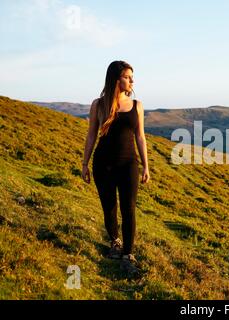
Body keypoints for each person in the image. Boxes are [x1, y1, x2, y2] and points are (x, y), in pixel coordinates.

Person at [81, 60, 150, 275]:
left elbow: (140, 137)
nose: (132, 81)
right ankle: (115, 242)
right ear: (116, 79)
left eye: (132, 77)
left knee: (128, 209)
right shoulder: (98, 105)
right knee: (109, 206)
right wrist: (84, 164)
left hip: (129, 164)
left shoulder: (136, 105)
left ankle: (128, 252)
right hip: (103, 164)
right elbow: (92, 134)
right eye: (127, 77)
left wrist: (146, 165)